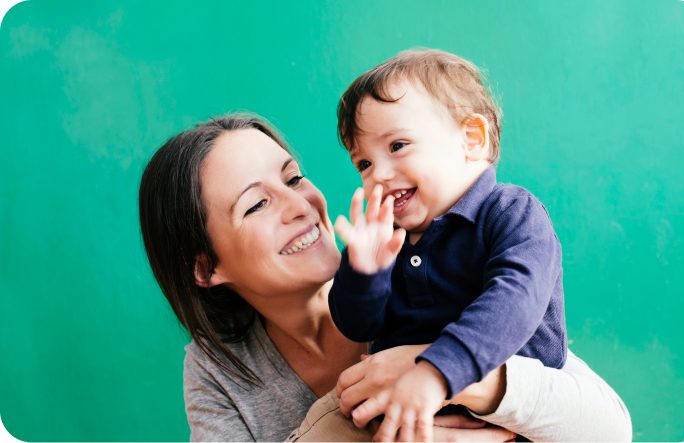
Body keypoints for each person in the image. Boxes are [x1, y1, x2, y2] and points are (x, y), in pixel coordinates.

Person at [138, 114, 632, 443]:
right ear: (206, 268)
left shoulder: (418, 263)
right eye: (257, 204)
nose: (300, 205)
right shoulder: (217, 368)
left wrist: (447, 377)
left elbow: (611, 429)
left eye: (292, 178)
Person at [329, 49, 568, 443]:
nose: (378, 176)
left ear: (471, 139)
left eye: (397, 145)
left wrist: (434, 371)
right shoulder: (385, 235)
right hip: (403, 418)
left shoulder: (511, 212)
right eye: (364, 164)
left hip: (507, 416)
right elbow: (357, 326)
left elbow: (514, 301)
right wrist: (363, 274)